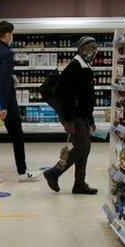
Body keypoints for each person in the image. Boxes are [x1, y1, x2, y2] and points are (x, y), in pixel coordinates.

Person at [0, 20, 38, 185]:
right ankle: (22, 172)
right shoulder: (6, 53)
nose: (11, 37)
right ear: (6, 35)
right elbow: (4, 82)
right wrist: (4, 107)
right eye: (11, 34)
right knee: (17, 137)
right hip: (6, 107)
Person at [42, 37, 100, 195]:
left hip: (82, 115)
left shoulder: (85, 66)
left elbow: (86, 98)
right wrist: (67, 120)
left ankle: (79, 184)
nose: (92, 51)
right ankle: (54, 172)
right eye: (89, 48)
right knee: (83, 147)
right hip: (73, 115)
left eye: (94, 48)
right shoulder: (74, 68)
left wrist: (90, 119)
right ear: (80, 49)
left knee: (84, 149)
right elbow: (66, 97)